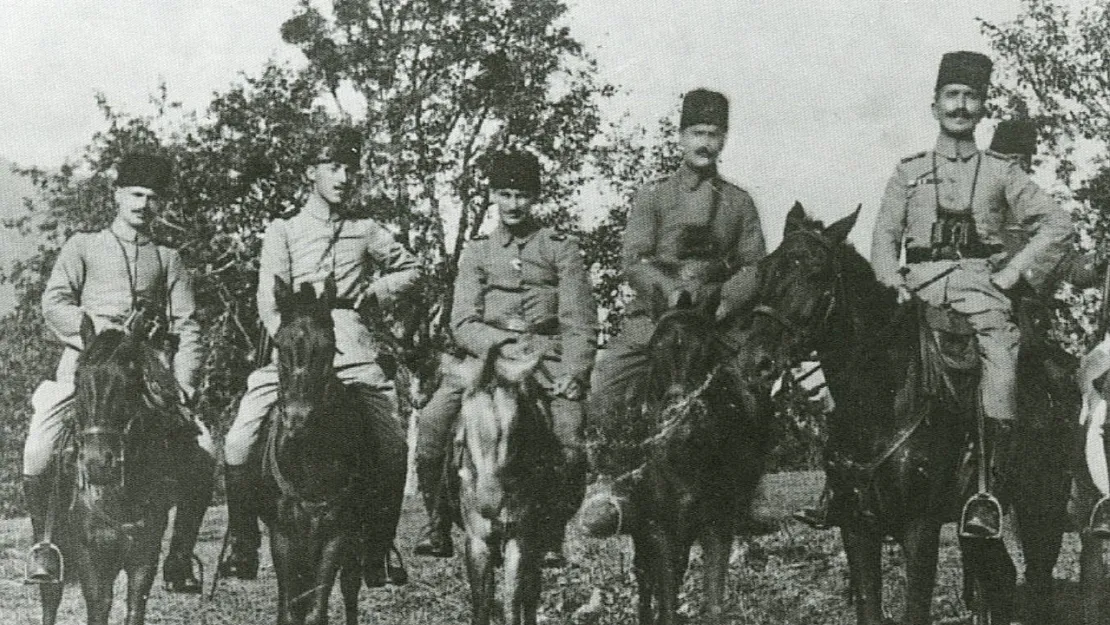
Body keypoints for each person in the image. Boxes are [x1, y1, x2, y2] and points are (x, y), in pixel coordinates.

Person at [863, 51, 1072, 538]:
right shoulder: (908, 172)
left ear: (982, 108)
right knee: (865, 360)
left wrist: (1013, 274)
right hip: (916, 292)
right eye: (951, 96)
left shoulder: (1002, 172)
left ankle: (988, 491)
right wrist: (891, 282)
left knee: (1001, 356)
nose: (960, 106)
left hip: (983, 293)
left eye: (970, 97)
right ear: (934, 105)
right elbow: (883, 239)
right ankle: (850, 479)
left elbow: (1057, 225)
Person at [218, 128, 420, 582]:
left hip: (349, 345)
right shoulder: (284, 230)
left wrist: (375, 292)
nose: (343, 177)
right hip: (293, 350)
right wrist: (292, 347)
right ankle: (243, 543)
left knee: (393, 443)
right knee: (237, 440)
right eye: (333, 167)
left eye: (350, 168)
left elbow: (412, 268)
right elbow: (269, 300)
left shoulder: (366, 230)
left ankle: (379, 548)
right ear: (312, 173)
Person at [577, 89, 767, 538]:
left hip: (715, 318)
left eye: (714, 134)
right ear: (680, 137)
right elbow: (634, 259)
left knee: (753, 388)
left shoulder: (739, 202)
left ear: (725, 139)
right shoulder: (654, 196)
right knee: (608, 381)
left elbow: (754, 265)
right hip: (658, 316)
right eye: (697, 132)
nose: (705, 142)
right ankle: (610, 483)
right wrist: (669, 294)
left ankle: (745, 494)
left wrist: (723, 302)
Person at [25, 152, 216, 592]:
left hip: (147, 372)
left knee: (205, 449)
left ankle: (180, 556)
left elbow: (189, 326)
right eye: (135, 194)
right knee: (38, 450)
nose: (143, 204)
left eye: (152, 197)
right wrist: (98, 330)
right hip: (87, 366)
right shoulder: (83, 246)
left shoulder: (169, 258)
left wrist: (184, 382)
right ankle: (46, 547)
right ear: (117, 195)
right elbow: (54, 303)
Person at [413, 150, 597, 566]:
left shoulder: (560, 249)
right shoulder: (477, 251)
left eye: (522, 195)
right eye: (506, 194)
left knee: (569, 436)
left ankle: (551, 532)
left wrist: (575, 372)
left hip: (544, 362)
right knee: (432, 424)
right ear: (493, 195)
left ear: (535, 198)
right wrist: (498, 346)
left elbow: (579, 321)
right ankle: (437, 521)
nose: (514, 205)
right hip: (484, 360)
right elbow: (462, 320)